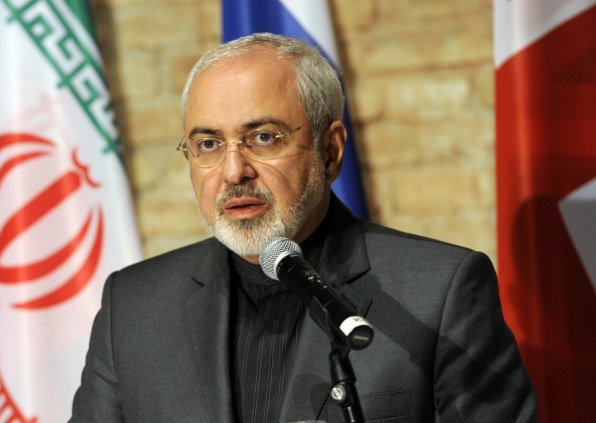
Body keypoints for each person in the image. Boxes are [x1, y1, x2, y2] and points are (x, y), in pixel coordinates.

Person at [70, 33, 537, 422]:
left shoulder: (439, 291)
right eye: (208, 144)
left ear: (330, 151)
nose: (233, 172)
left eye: (263, 138)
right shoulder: (133, 307)